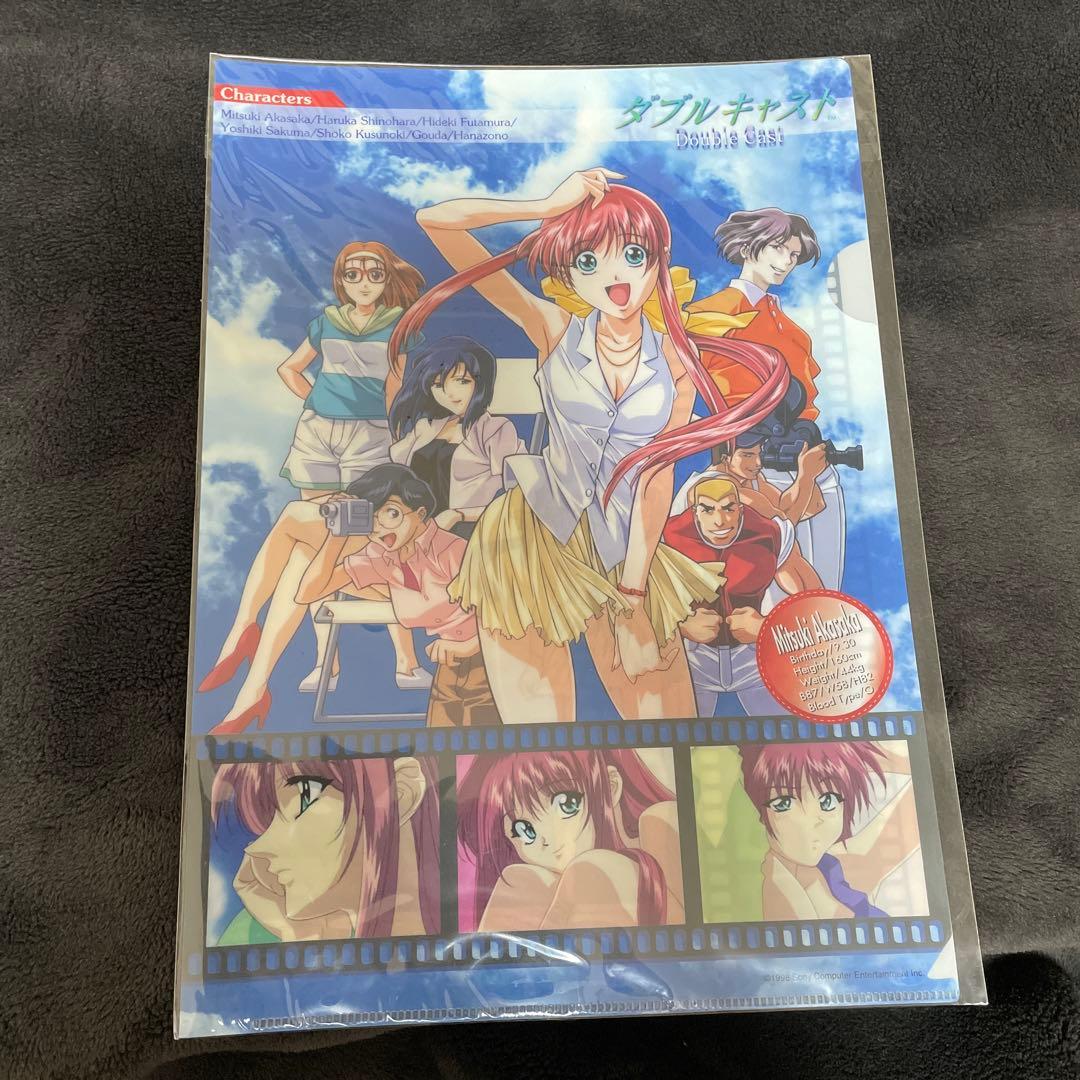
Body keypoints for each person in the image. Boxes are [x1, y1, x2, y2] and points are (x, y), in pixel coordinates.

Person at [397, 167, 791, 724]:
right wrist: (543, 207)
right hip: (534, 534)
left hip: (630, 542)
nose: (615, 276)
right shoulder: (553, 327)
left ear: (657, 260)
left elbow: (656, 473)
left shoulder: (677, 359)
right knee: (537, 733)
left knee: (668, 727)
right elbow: (436, 221)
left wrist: (632, 596)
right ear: (568, 272)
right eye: (588, 261)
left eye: (632, 255)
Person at [199, 242, 429, 703]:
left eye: (374, 273)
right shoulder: (327, 321)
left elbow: (397, 386)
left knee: (367, 536)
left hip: (371, 436)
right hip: (318, 434)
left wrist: (392, 435)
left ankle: (405, 658)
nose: (363, 282)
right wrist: (319, 402)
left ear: (387, 279)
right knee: (318, 542)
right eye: (352, 274)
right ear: (340, 280)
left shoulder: (399, 326)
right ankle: (326, 659)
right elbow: (290, 369)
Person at [293, 464, 500, 730]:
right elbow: (308, 593)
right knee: (441, 739)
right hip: (449, 663)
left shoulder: (452, 550)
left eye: (391, 513)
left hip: (494, 660)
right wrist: (337, 535)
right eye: (371, 517)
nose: (379, 527)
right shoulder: (380, 557)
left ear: (420, 513)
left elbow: (506, 611)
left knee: (484, 742)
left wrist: (469, 646)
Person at [211, 755, 440, 942]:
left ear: (400, 794)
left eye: (306, 797)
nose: (258, 847)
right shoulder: (254, 930)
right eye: (267, 823)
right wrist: (304, 939)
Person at [456, 749, 683, 931]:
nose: (547, 839)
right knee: (519, 878)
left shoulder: (659, 823)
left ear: (610, 786)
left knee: (590, 869)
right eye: (525, 829)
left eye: (566, 805)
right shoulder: (527, 883)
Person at [664, 474, 821, 716]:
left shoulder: (768, 535)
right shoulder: (668, 536)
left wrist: (768, 628)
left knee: (787, 735)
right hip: (691, 662)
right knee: (679, 737)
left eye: (728, 508)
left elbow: (816, 602)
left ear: (739, 508)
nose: (720, 521)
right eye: (708, 509)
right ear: (694, 511)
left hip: (754, 661)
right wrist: (680, 625)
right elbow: (635, 603)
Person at [740, 741, 921, 920]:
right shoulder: (785, 892)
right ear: (761, 811)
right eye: (784, 803)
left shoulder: (826, 864)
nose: (810, 822)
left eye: (828, 801)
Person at [687, 207, 822, 420]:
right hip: (726, 432)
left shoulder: (795, 334)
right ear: (746, 249)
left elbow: (806, 403)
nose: (788, 261)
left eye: (794, 255)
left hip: (793, 434)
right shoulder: (706, 313)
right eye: (778, 247)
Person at [388, 336, 523, 540]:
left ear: (480, 383)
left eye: (462, 381)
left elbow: (517, 496)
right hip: (419, 532)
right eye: (437, 384)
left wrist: (458, 515)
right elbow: (396, 475)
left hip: (470, 532)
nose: (449, 393)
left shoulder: (495, 429)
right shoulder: (426, 427)